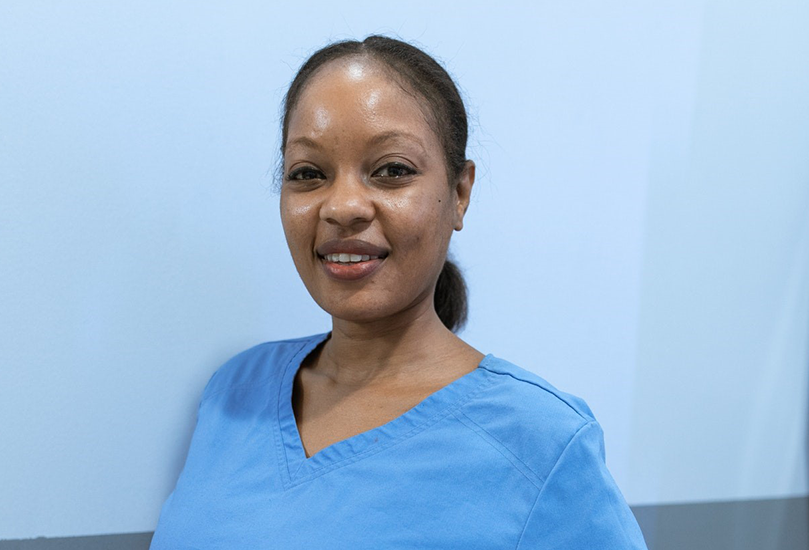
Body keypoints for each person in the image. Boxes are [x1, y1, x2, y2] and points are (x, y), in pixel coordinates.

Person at [150, 35, 648, 549]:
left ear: (459, 193)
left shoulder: (542, 444)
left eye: (392, 171)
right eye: (308, 173)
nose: (343, 206)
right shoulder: (234, 393)